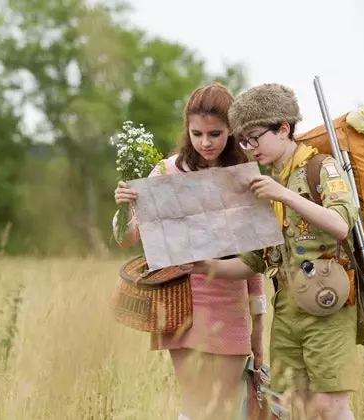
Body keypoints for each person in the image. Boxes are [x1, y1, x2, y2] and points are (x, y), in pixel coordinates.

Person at [191, 83, 360, 420]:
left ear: (283, 129)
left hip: (327, 305)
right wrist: (200, 266)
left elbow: (341, 224)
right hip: (286, 311)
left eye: (255, 137)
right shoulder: (265, 182)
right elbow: (253, 262)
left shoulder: (320, 168)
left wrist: (284, 196)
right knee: (289, 407)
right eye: (244, 141)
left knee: (329, 405)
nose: (250, 148)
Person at [112, 83, 267, 420]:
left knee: (222, 407)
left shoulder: (245, 180)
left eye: (215, 133)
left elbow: (255, 265)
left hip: (229, 302)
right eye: (197, 133)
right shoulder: (167, 172)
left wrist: (258, 331)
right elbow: (128, 237)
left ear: (232, 131)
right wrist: (124, 208)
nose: (206, 142)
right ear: (187, 129)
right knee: (196, 404)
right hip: (179, 300)